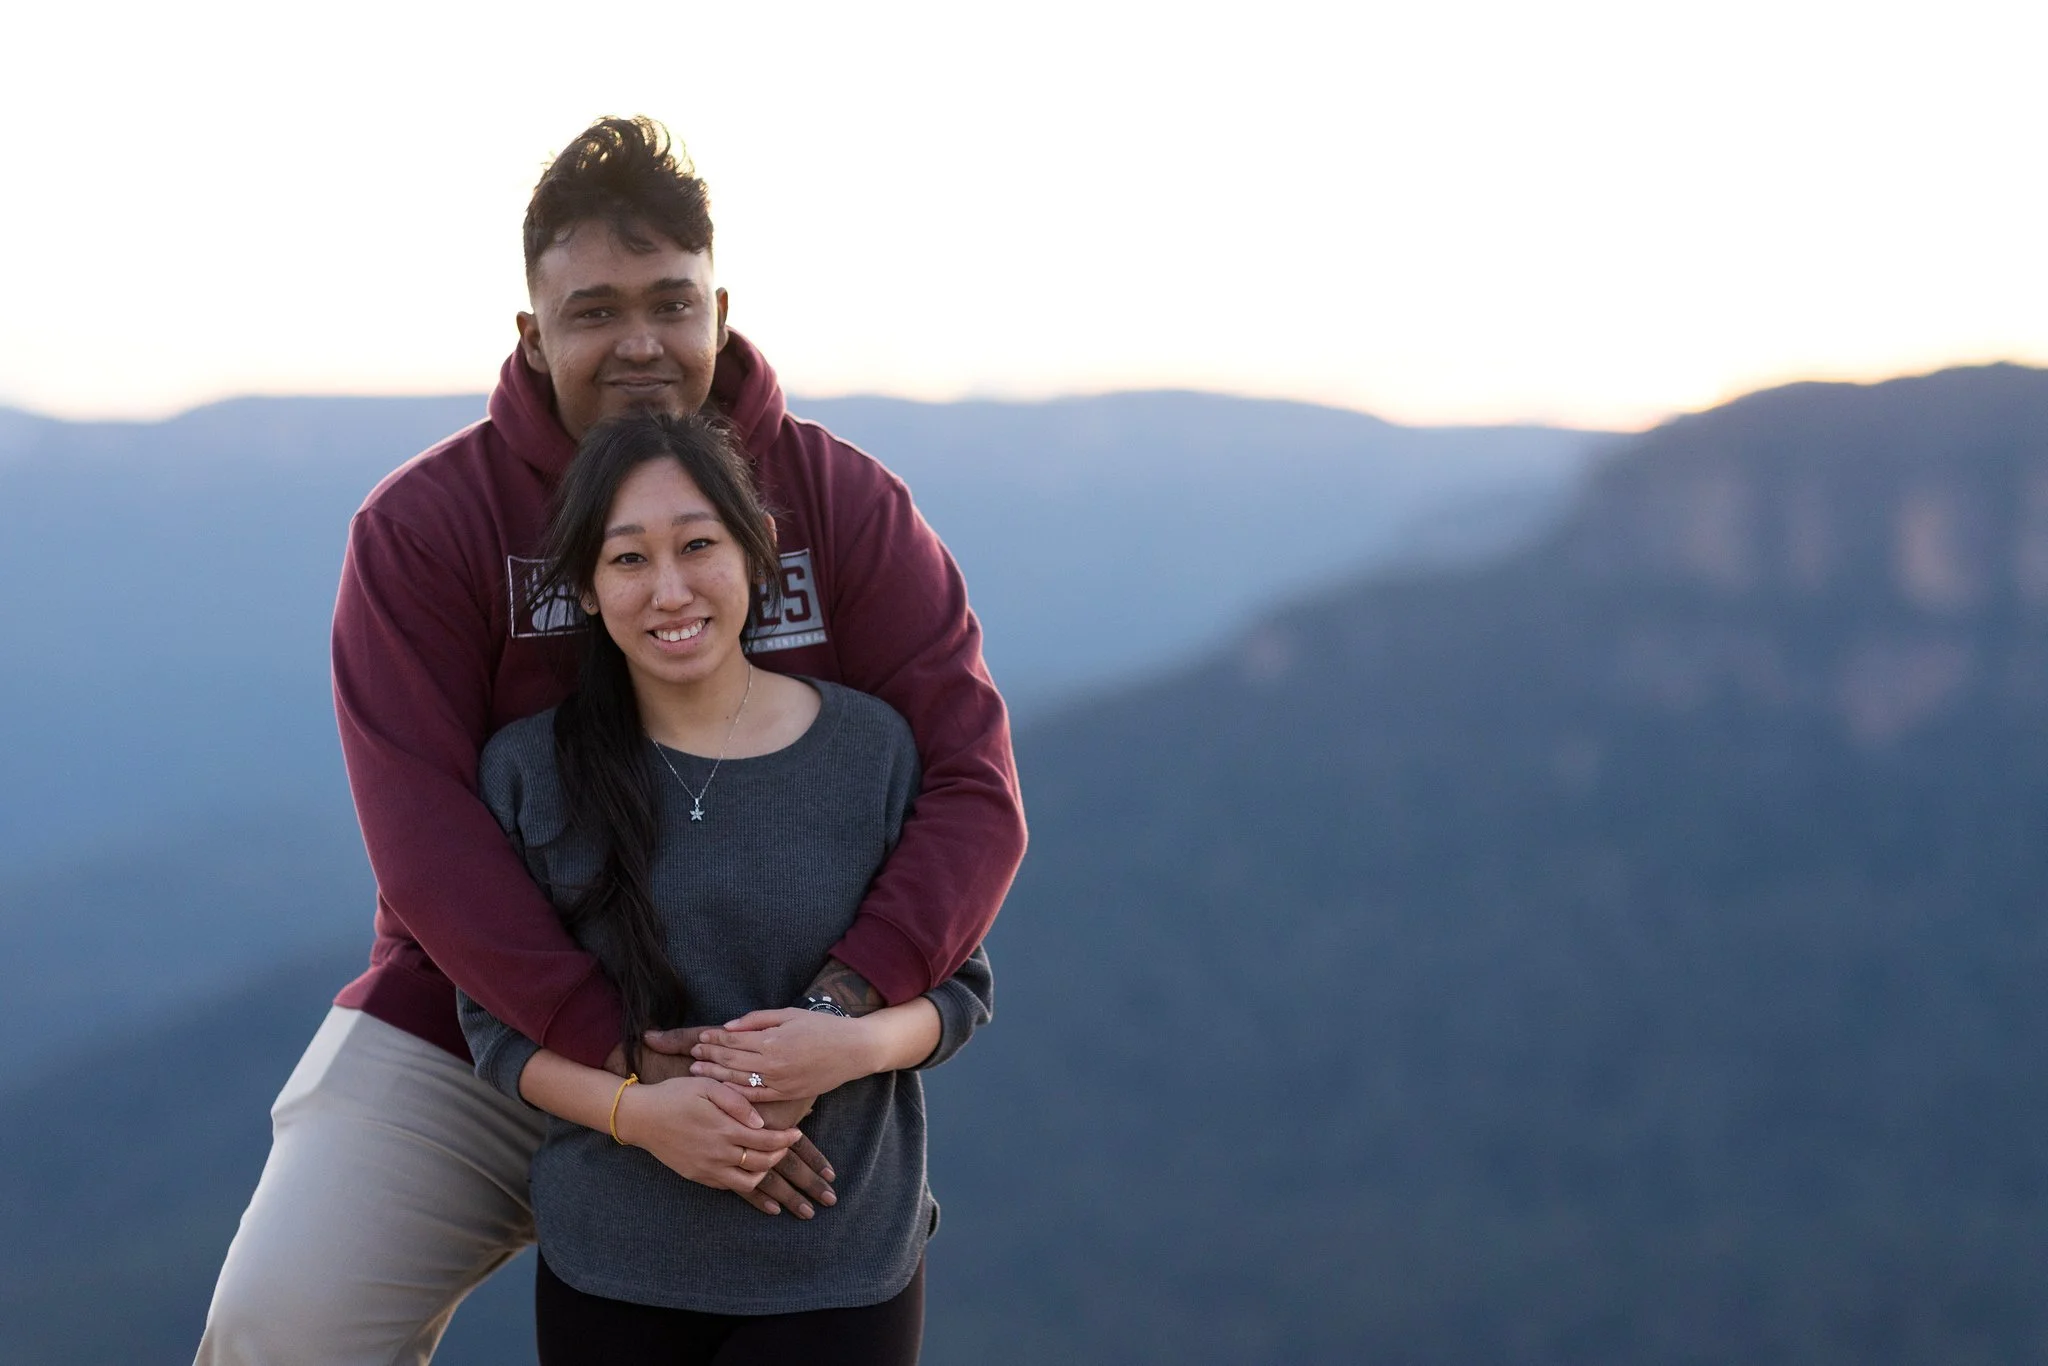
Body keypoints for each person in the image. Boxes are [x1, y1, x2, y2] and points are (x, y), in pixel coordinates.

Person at [196, 117, 1025, 1364]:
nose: (639, 342)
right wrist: (614, 1055)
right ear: (532, 334)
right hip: (488, 1024)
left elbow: (970, 789)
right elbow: (426, 843)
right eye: (593, 311)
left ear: (719, 306)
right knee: (282, 1328)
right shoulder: (428, 528)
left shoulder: (844, 506)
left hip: (770, 1044)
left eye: (669, 302)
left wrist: (836, 1007)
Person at [459, 410, 992, 1365]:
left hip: (840, 1260)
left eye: (699, 545)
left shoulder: (871, 750)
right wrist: (643, 1116)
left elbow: (957, 990)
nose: (670, 590)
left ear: (758, 557)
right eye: (628, 560)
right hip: (614, 1260)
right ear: (584, 586)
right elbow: (495, 1029)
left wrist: (845, 1047)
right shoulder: (530, 771)